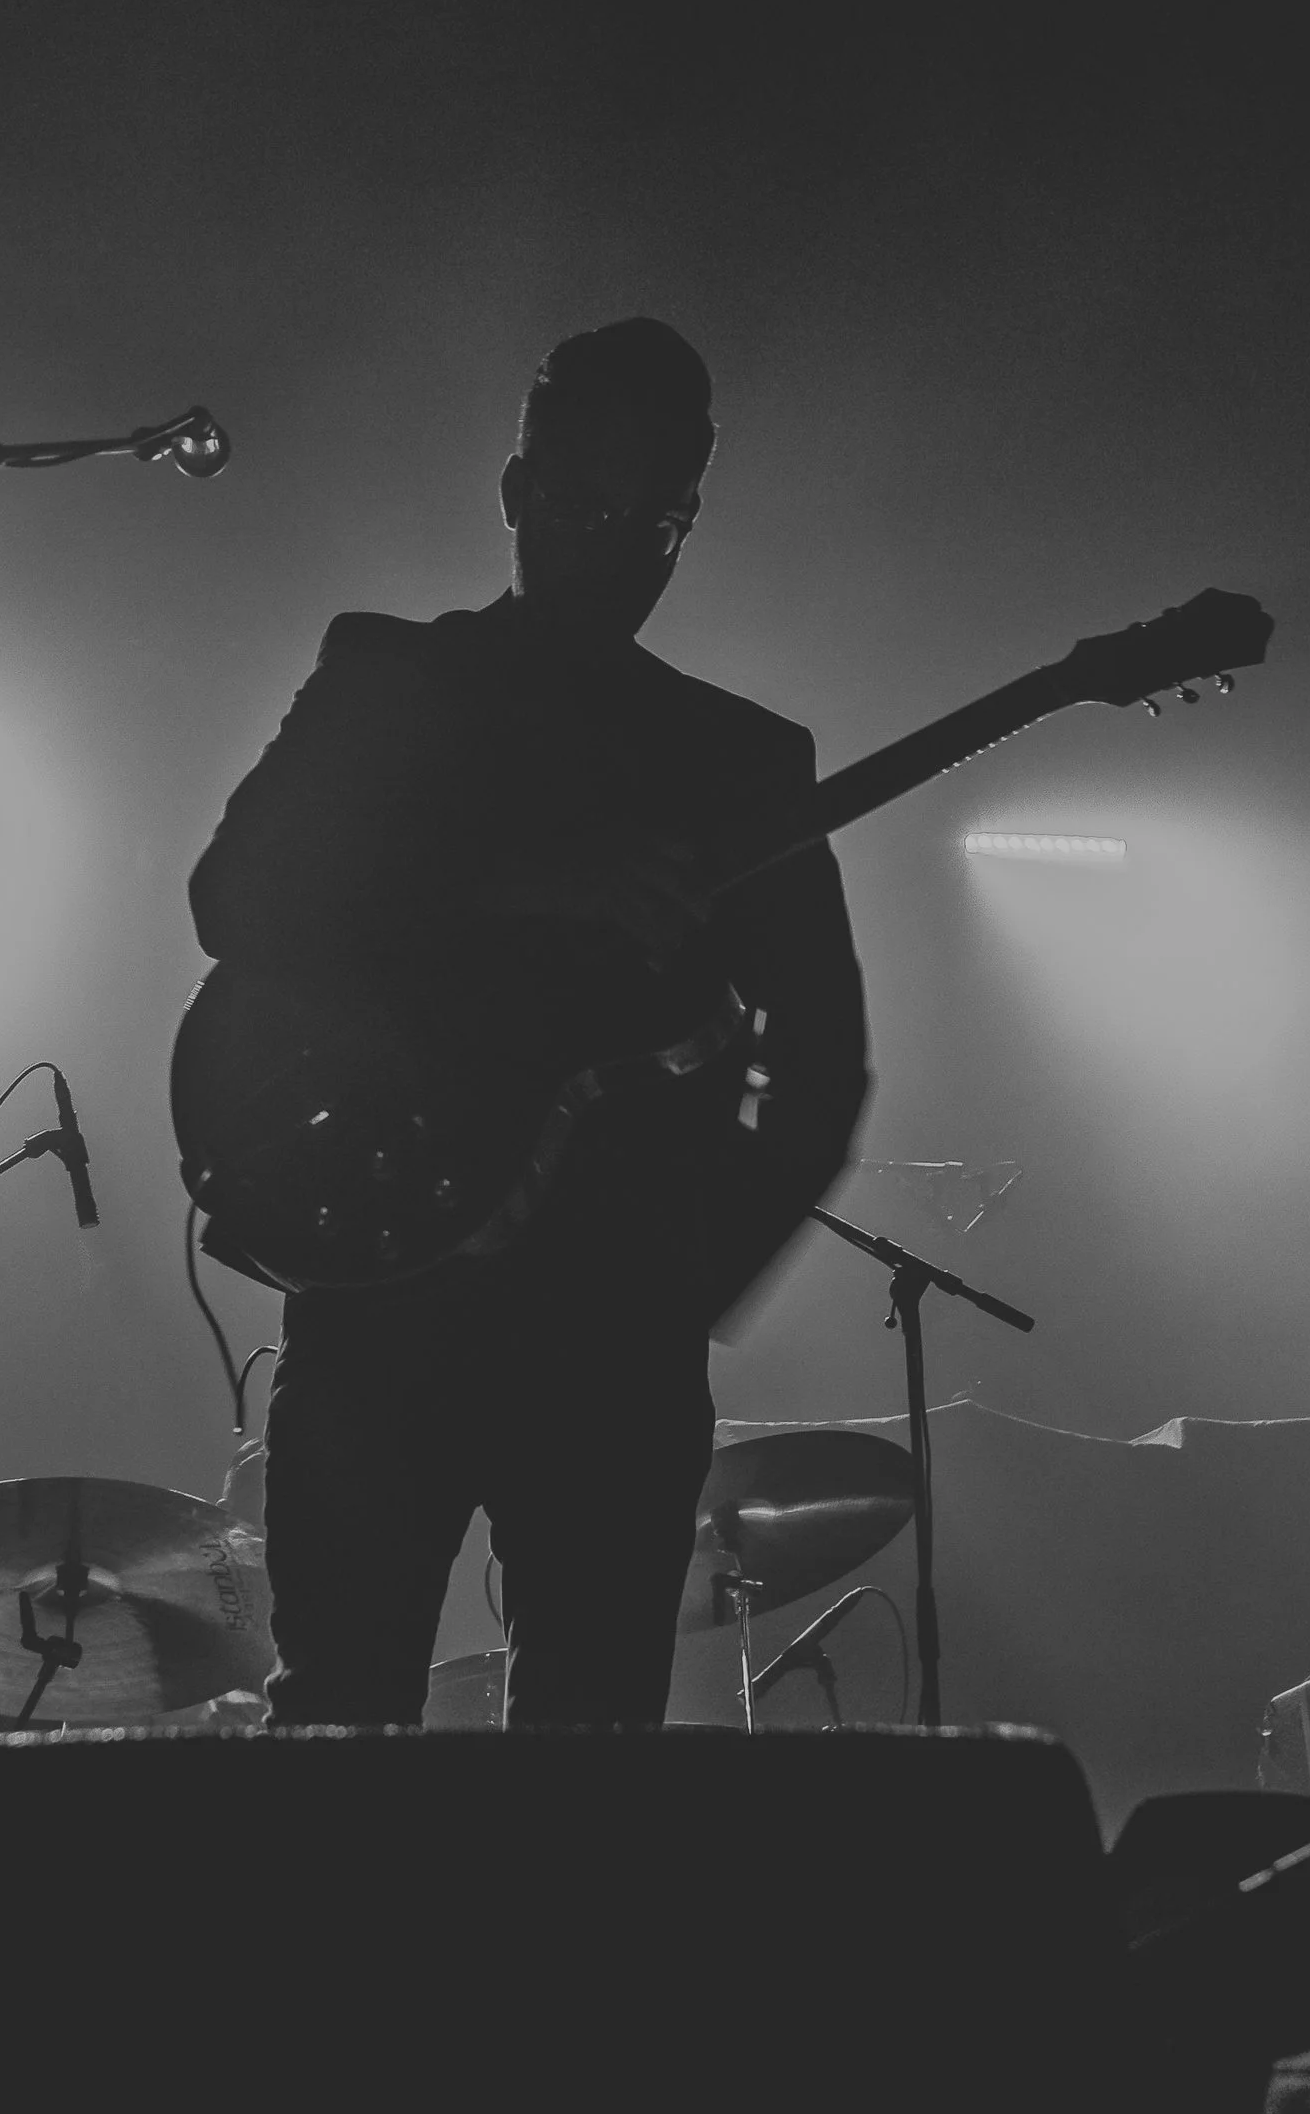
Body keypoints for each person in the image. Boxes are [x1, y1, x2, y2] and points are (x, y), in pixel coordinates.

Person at [187, 318, 870, 1726]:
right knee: (340, 1717)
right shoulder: (388, 678)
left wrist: (688, 1280)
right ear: (512, 488)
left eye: (660, 519)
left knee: (590, 1750)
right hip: (380, 1283)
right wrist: (518, 886)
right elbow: (236, 896)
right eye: (583, 505)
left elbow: (823, 1062)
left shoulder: (745, 758)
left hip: (613, 1328)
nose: (618, 549)